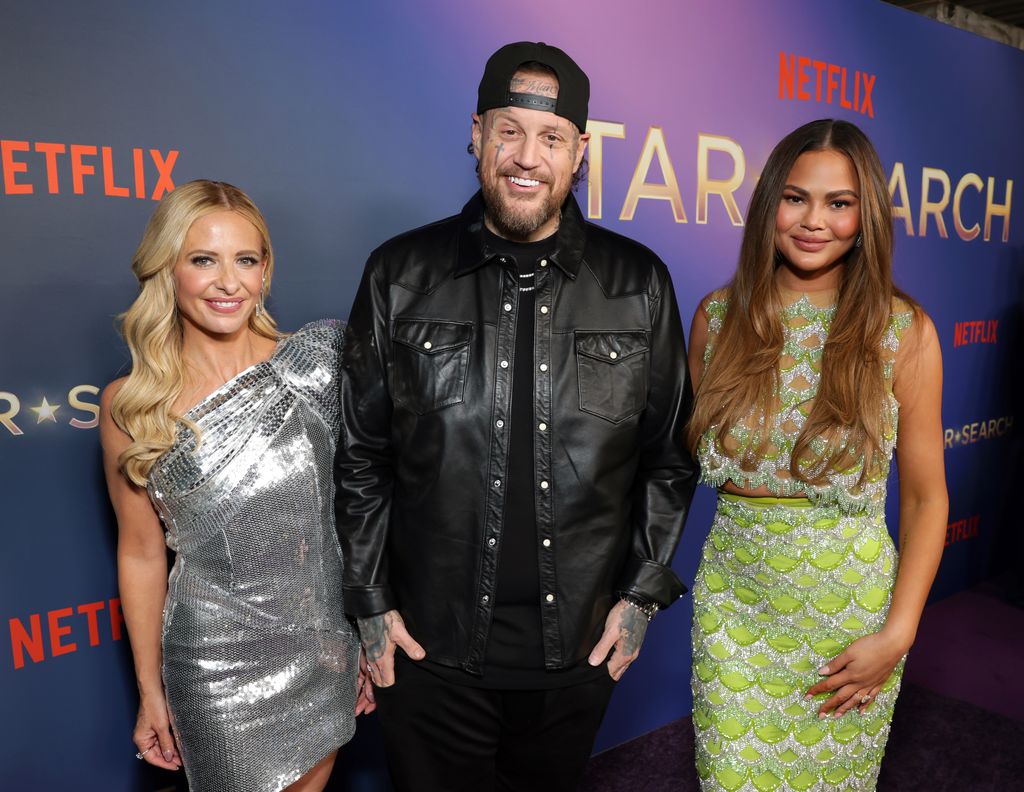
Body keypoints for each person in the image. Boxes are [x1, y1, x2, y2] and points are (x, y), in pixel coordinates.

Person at [335, 41, 699, 792]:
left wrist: (639, 596)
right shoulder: (399, 273)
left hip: (575, 660)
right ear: (476, 134)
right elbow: (363, 454)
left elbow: (669, 458)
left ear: (580, 153)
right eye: (508, 130)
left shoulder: (638, 284)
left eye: (551, 137)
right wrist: (370, 604)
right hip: (428, 655)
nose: (526, 156)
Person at [686, 119, 947, 790]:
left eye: (840, 203)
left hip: (848, 623)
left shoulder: (902, 330)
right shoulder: (717, 318)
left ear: (866, 219)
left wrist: (899, 635)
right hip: (734, 613)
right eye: (796, 197)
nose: (813, 221)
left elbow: (924, 498)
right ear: (769, 203)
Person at [99, 180, 367, 792]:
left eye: (245, 260)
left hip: (321, 644)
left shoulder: (319, 363)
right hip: (211, 663)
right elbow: (141, 554)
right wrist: (150, 692)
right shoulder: (132, 407)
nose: (228, 282)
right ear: (168, 269)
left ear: (265, 270)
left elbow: (359, 513)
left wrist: (364, 634)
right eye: (203, 260)